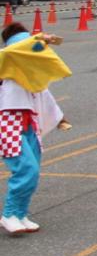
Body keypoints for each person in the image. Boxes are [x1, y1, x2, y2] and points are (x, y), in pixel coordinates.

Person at [0, 22, 71, 234]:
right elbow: (15, 50)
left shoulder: (31, 75)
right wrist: (38, 39)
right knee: (26, 169)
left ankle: (20, 213)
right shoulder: (5, 67)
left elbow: (45, 97)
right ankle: (9, 214)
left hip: (30, 124)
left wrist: (60, 118)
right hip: (8, 124)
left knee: (33, 171)